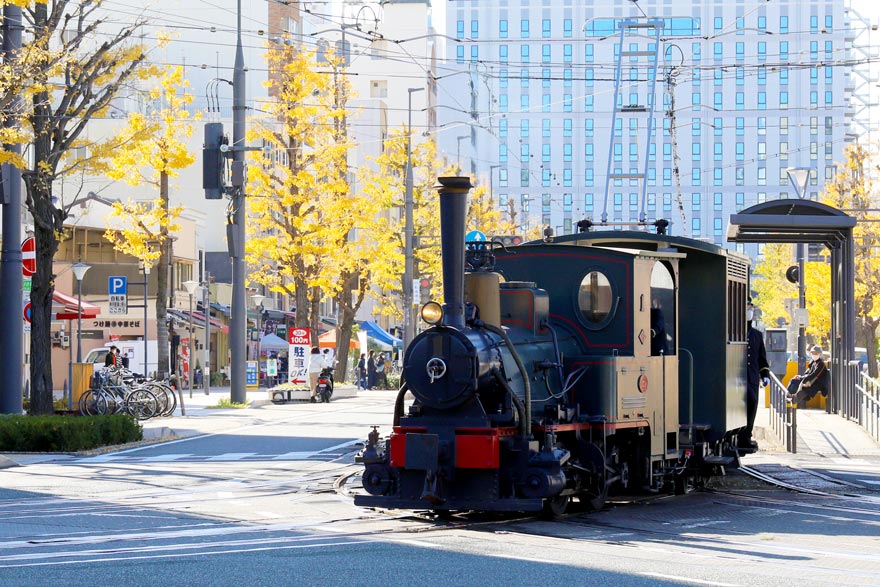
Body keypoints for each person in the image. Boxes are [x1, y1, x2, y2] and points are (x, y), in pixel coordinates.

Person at [742, 298, 771, 450]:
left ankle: (746, 435)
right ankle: (742, 435)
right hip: (738, 376)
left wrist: (765, 374)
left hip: (752, 377)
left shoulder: (757, 335)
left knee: (753, 404)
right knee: (747, 402)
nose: (749, 311)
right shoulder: (735, 332)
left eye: (750, 308)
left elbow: (761, 358)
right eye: (747, 307)